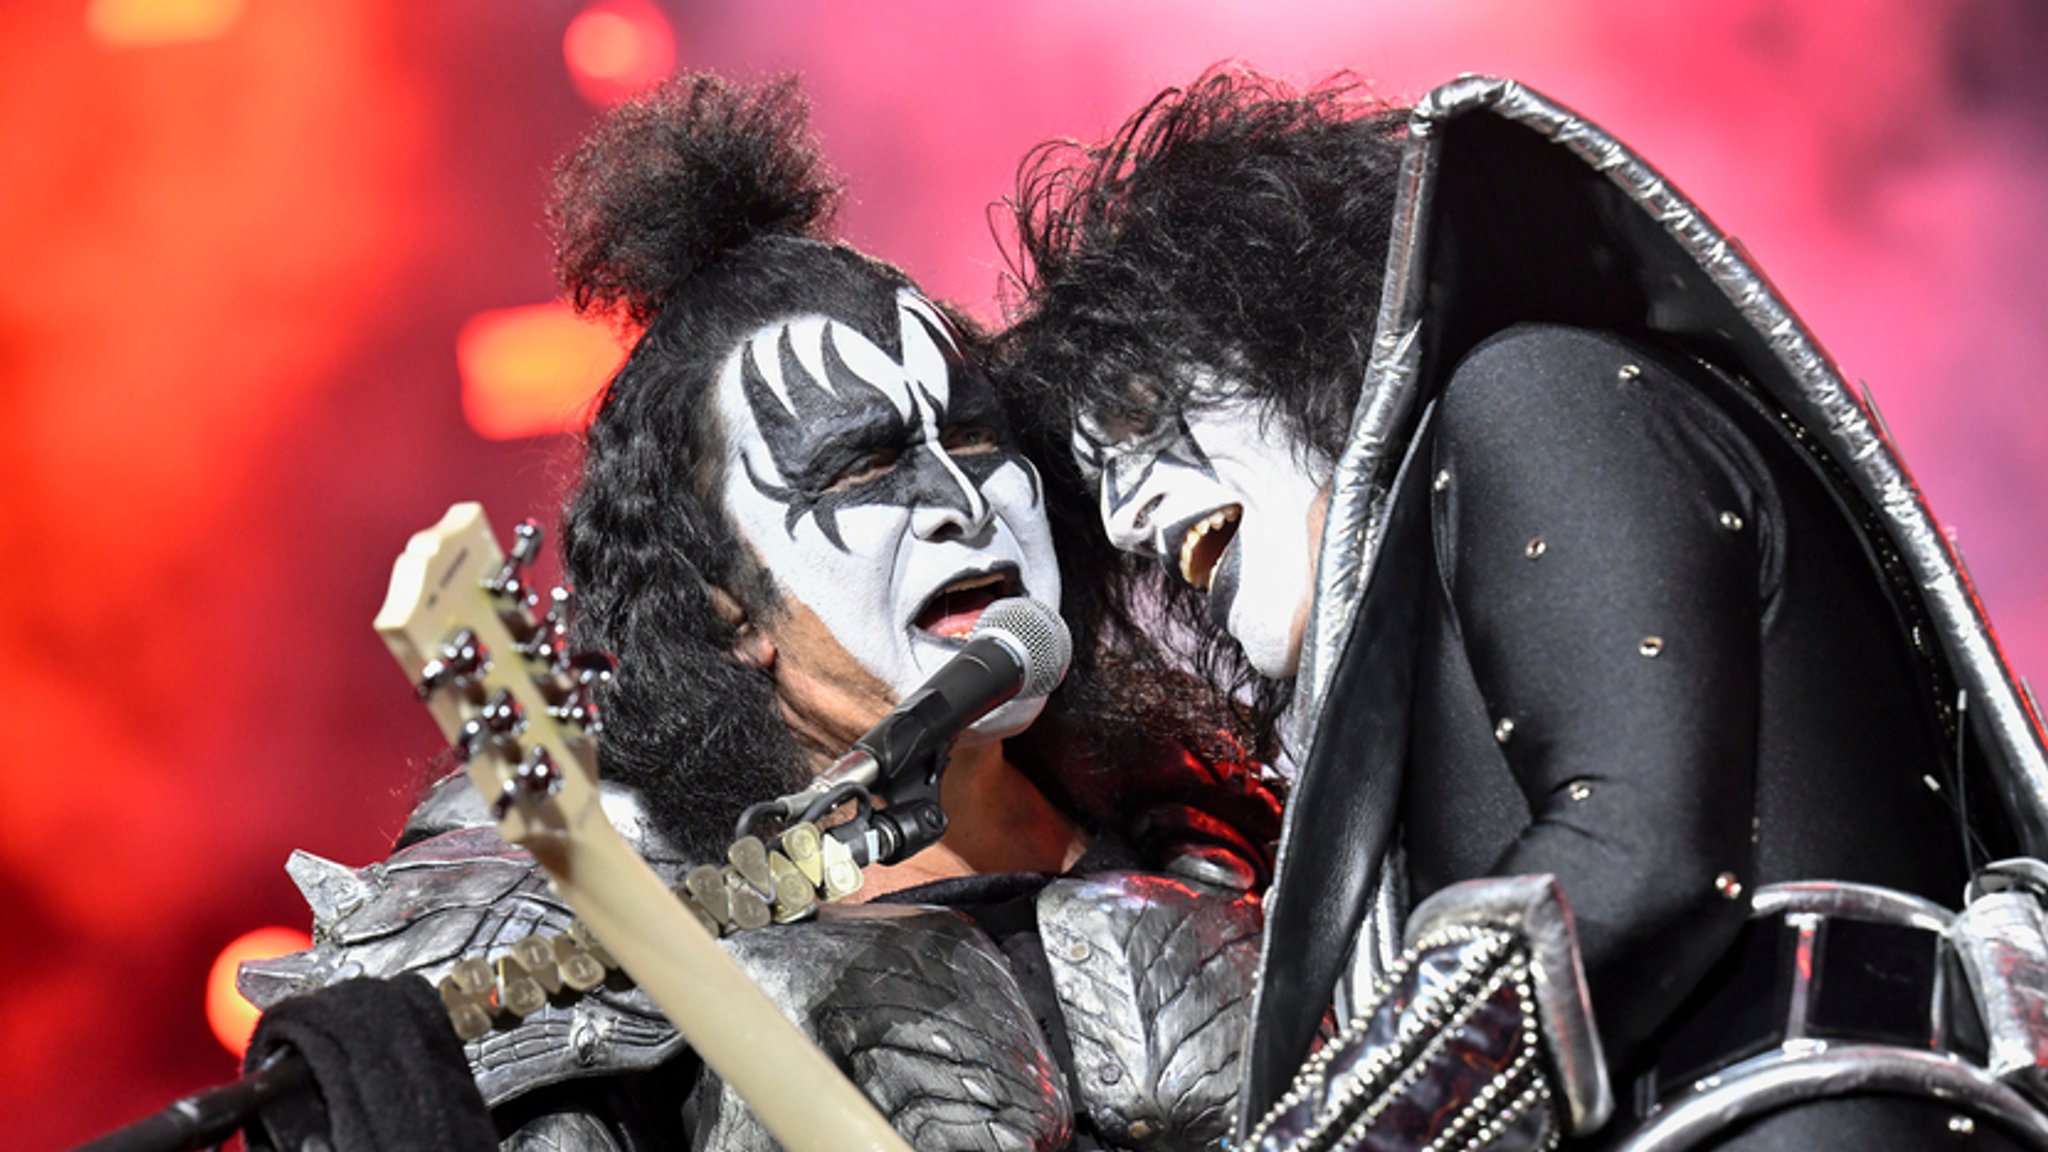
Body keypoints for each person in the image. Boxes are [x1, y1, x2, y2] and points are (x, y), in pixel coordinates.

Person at [999, 67, 2048, 1149]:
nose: (1128, 522)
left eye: (1137, 414)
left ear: (1290, 324)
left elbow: (1632, 856)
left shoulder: (1535, 390)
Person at [244, 73, 1279, 1152]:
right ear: (724, 604)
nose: (961, 505)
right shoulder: (576, 914)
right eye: (863, 467)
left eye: (974, 440)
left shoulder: (1223, 822)